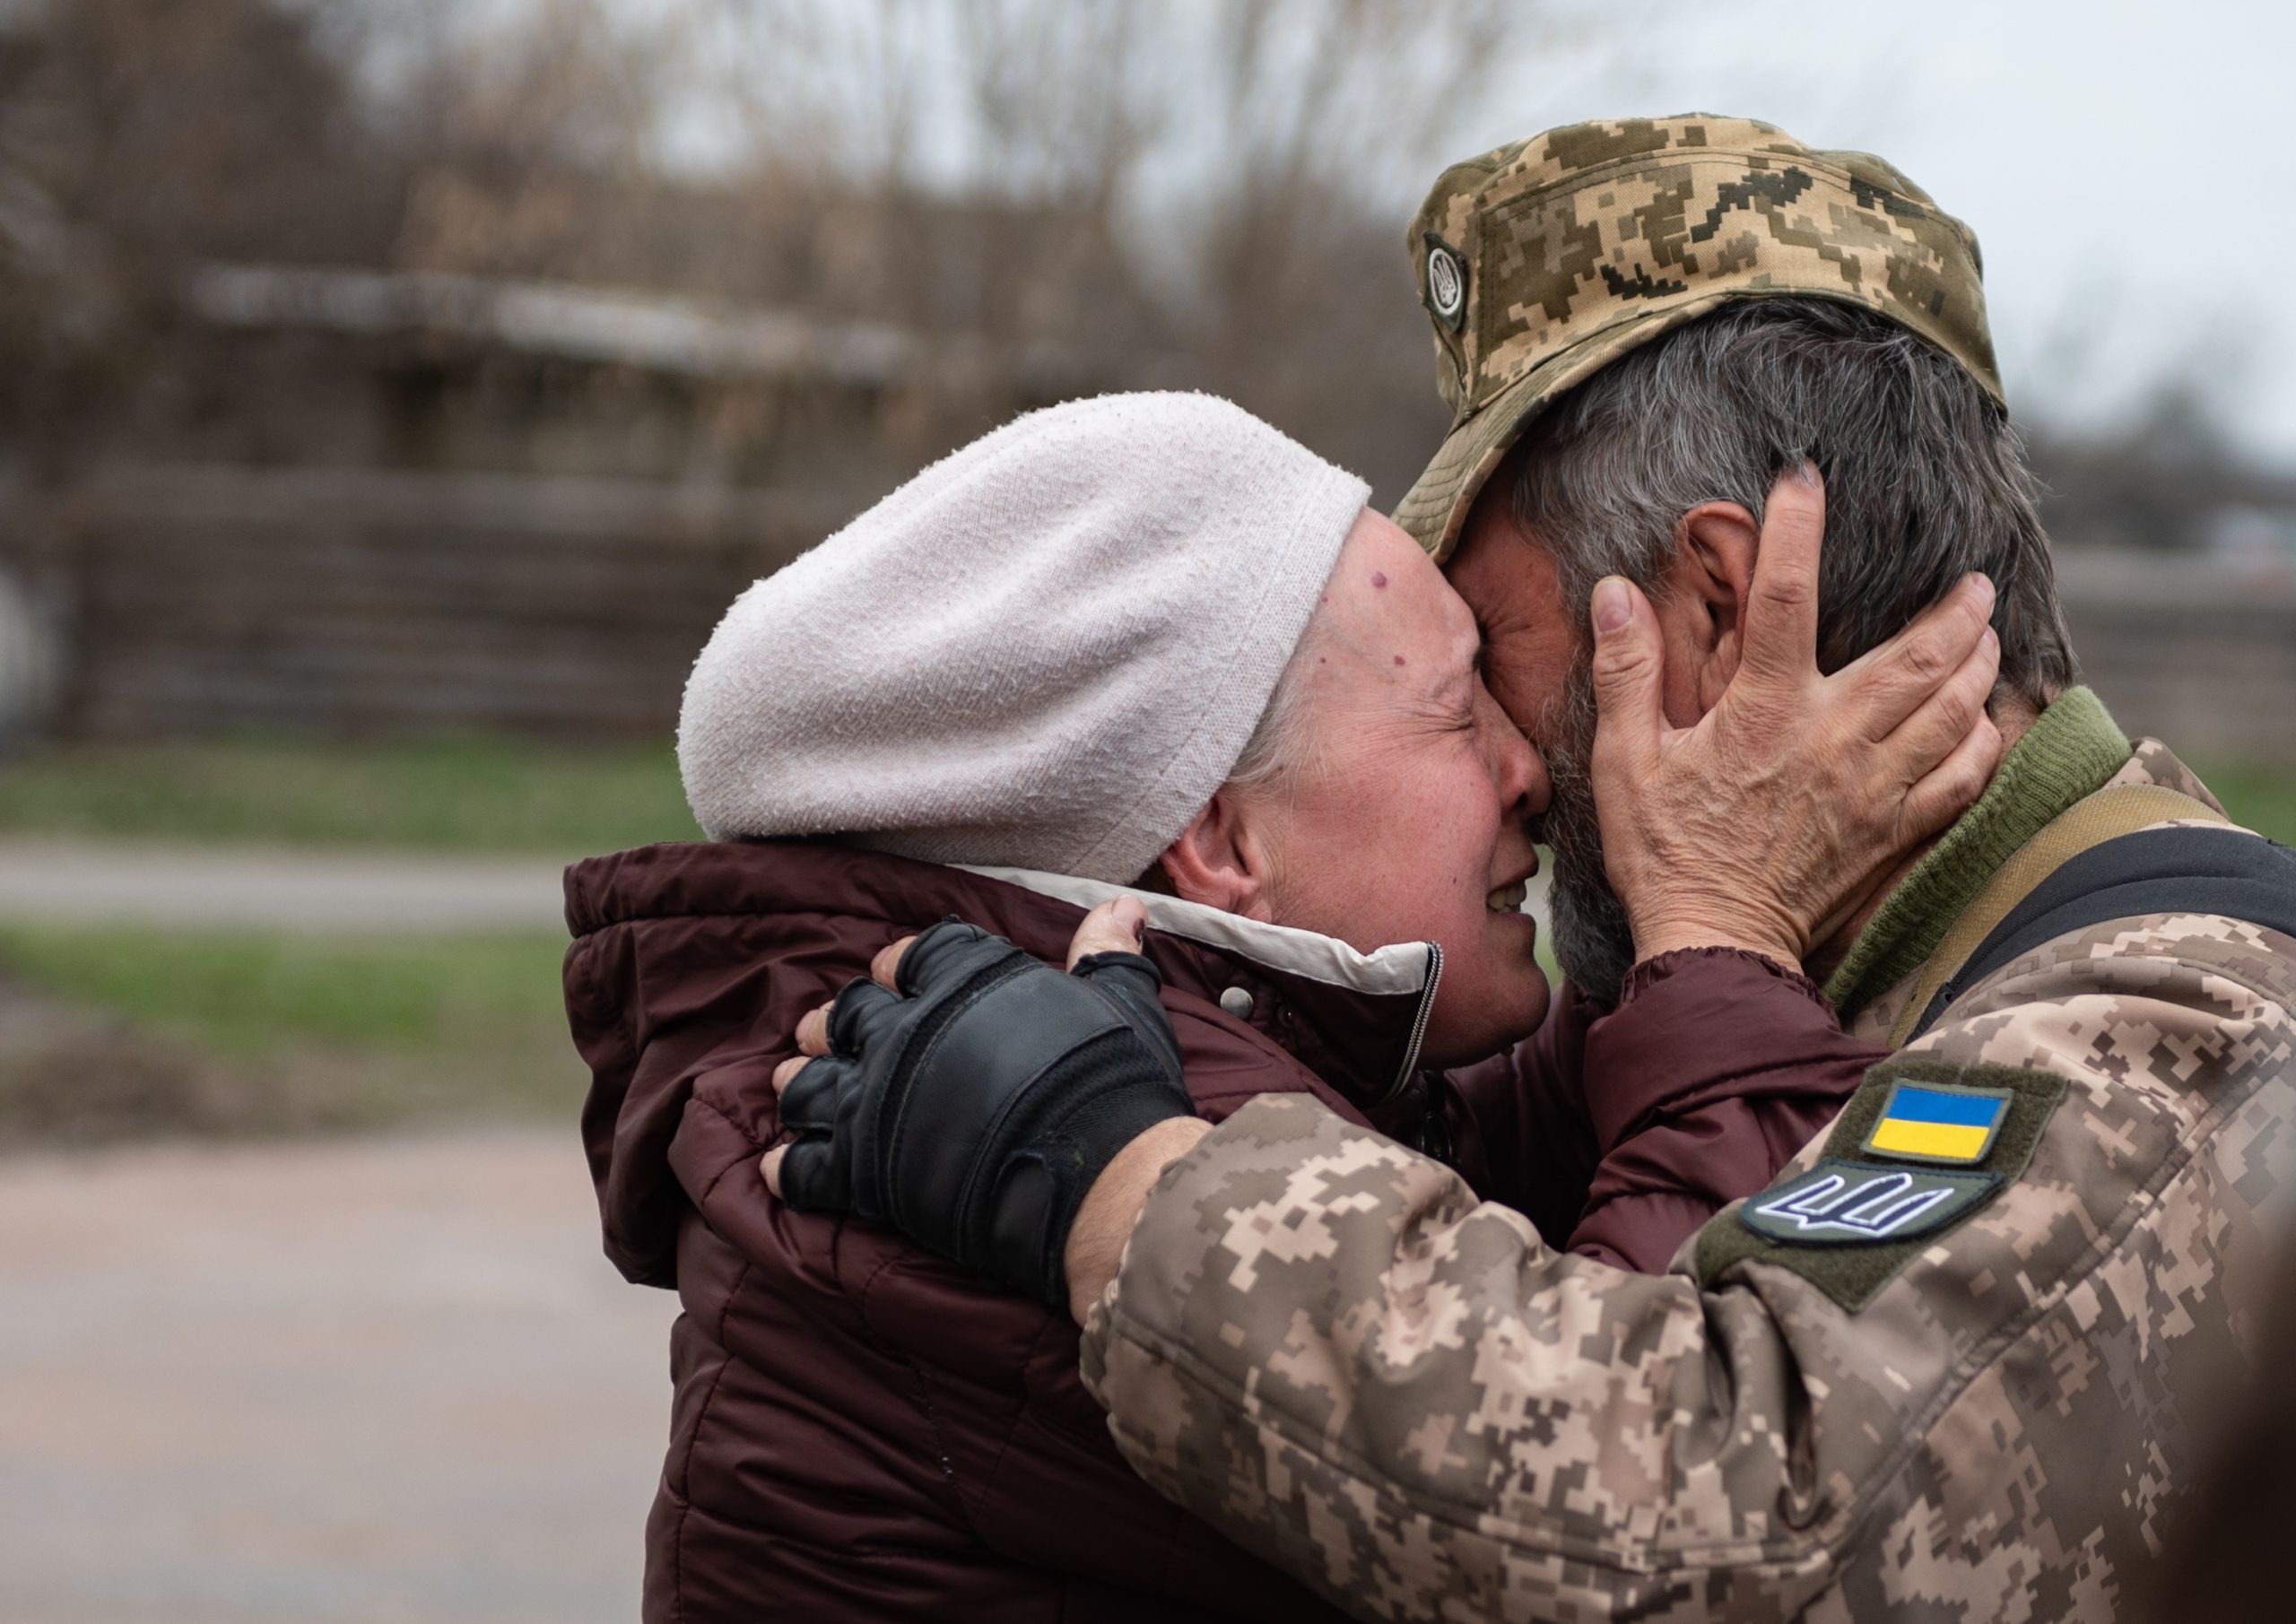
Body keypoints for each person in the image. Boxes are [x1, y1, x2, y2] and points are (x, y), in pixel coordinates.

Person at [766, 117, 2296, 1620]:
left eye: (1500, 658)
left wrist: (1122, 1181)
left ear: (1710, 609)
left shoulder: (2166, 1034)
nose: (1511, 758)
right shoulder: (1923, 977)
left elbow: (1743, 1547)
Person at [565, 387, 1997, 1621]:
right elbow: (1651, 1501)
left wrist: (1693, 872)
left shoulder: (1109, 1045)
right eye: (1458, 708)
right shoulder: (1052, 1129)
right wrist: (1727, 939)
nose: (1530, 768)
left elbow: (1451, 1204)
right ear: (1223, 841)